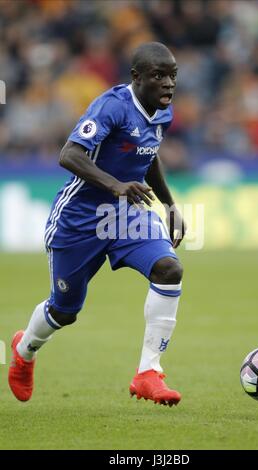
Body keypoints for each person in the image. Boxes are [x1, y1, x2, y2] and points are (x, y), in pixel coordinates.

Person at [8, 42, 186, 407]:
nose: (167, 84)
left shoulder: (162, 113)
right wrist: (115, 185)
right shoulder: (112, 106)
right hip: (79, 220)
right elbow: (68, 154)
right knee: (64, 310)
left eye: (172, 76)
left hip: (126, 216)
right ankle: (25, 350)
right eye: (158, 76)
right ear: (136, 78)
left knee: (169, 269)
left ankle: (148, 372)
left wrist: (169, 204)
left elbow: (148, 156)